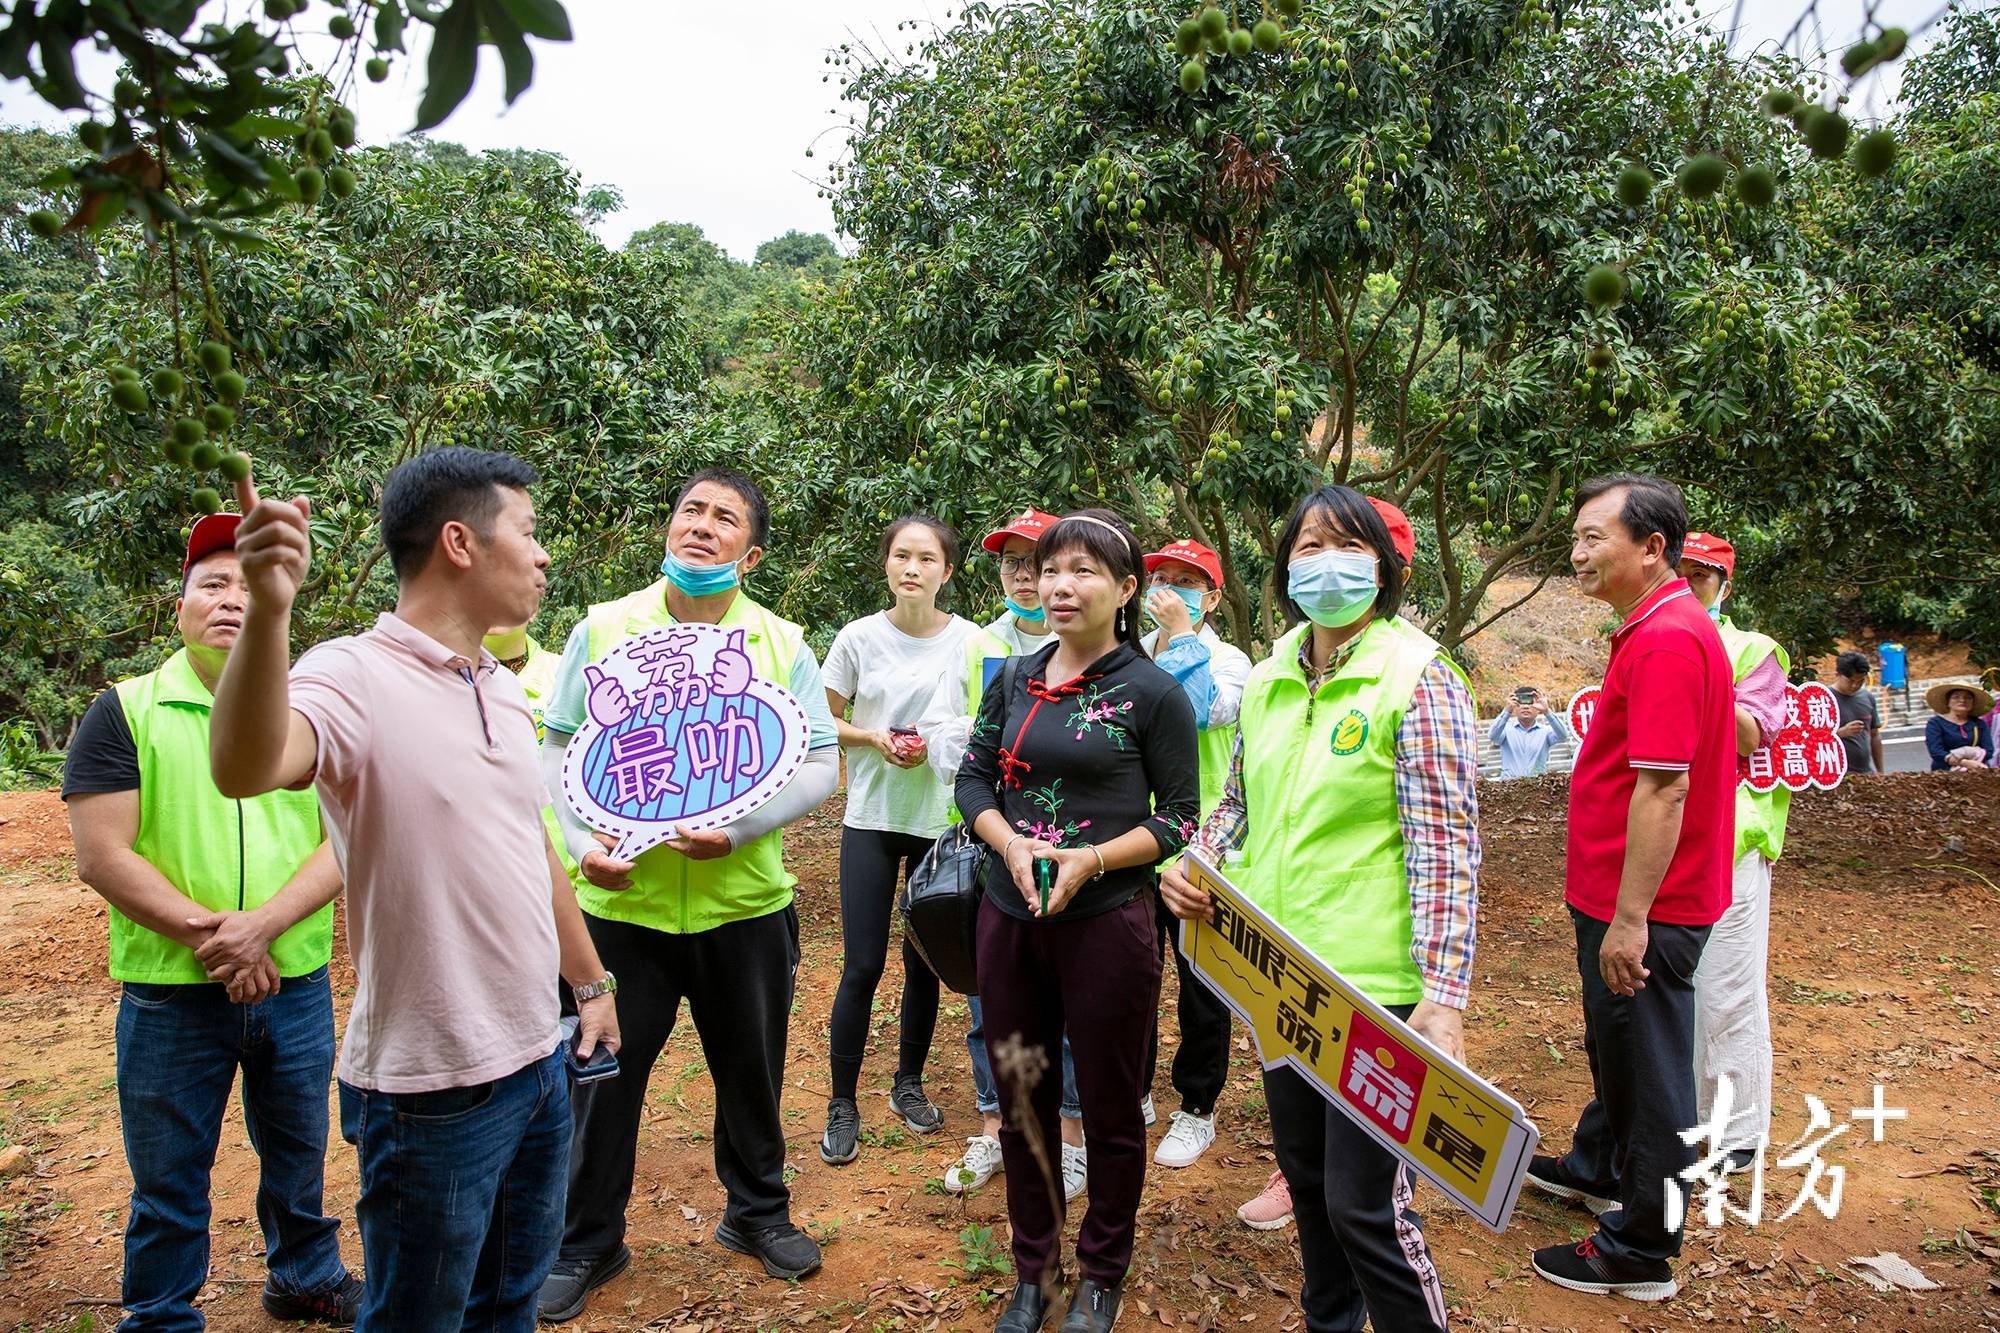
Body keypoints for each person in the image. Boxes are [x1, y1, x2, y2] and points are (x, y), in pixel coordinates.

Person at [207, 449, 622, 1332]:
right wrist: (268, 613)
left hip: (539, 1060)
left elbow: (532, 849)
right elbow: (247, 766)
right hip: (434, 1089)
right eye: (531, 531)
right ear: (460, 541)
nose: (545, 555)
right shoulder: (351, 673)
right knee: (417, 1318)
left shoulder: (505, 692)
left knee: (510, 1301)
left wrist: (590, 985)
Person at [1161, 484, 1479, 1333]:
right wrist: (1196, 860)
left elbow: (1445, 851)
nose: (1325, 561)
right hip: (1277, 973)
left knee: (1366, 1205)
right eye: (1307, 546)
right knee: (1306, 1181)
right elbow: (1236, 802)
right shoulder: (1267, 678)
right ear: (1284, 567)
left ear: (1383, 568)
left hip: (1377, 987)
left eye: (1347, 544)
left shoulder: (1420, 678)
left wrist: (1443, 998)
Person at [536, 466, 840, 1318]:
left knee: (752, 1071)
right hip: (617, 913)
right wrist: (578, 840)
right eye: (690, 510)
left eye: (725, 518)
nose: (701, 526)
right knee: (600, 1079)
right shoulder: (603, 628)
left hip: (743, 905)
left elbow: (820, 761)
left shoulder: (781, 641)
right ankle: (586, 1239)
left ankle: (758, 1213)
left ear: (750, 552)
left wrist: (740, 830)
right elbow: (555, 746)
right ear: (669, 527)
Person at [62, 513, 360, 1331]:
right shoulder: (123, 711)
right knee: (168, 1172)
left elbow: (343, 840)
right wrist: (217, 937)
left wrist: (264, 925)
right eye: (213, 583)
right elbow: (102, 853)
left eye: (248, 584)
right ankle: (159, 1312)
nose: (231, 599)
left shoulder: (313, 709)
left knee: (300, 1156)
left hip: (293, 980)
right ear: (181, 605)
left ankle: (303, 1275)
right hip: (171, 990)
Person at [957, 509, 1199, 1333]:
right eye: (1051, 569)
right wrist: (1010, 843)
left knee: (1107, 1102)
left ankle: (1102, 1270)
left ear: (1126, 588)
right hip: (1009, 921)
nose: (1059, 584)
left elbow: (1181, 820)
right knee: (1023, 1094)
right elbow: (972, 782)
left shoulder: (1153, 691)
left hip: (1107, 929)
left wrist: (1091, 859)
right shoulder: (1012, 676)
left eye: (1084, 570)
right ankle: (1037, 1271)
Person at [1528, 475, 1733, 1303]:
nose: (1577, 553)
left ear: (1652, 547)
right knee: (1616, 1043)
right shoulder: (1651, 626)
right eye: (1573, 537)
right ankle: (1598, 1164)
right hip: (1620, 894)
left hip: (1650, 903)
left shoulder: (1667, 640)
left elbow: (1664, 789)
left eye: (1593, 537)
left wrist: (1630, 919)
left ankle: (1641, 1246)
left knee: (1649, 1068)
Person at [916, 507, 1088, 1204]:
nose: (1024, 573)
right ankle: (995, 1124)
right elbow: (937, 739)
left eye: (1037, 559)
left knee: (1071, 996)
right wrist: (970, 737)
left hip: (1077, 848)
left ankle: (1071, 1137)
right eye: (1012, 561)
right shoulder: (973, 646)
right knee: (991, 994)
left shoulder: (1091, 642)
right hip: (994, 849)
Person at [819, 516, 989, 1163]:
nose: (911, 567)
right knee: (861, 963)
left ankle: (907, 1084)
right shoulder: (858, 638)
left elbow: (989, 720)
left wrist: (935, 745)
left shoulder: (972, 642)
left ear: (947, 570)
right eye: (901, 555)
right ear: (886, 565)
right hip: (870, 816)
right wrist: (875, 738)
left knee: (924, 964)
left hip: (940, 825)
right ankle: (842, 1101)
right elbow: (823, 716)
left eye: (926, 557)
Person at [1135, 538, 1251, 1170]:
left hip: (1203, 848)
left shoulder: (1232, 661)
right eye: (1162, 578)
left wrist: (1184, 642)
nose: (1171, 590)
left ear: (1211, 597)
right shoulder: (1129, 654)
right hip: (1134, 842)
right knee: (1133, 974)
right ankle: (1137, 1089)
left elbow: (1204, 711)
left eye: (1188, 581)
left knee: (1200, 984)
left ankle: (1196, 1107)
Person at [1679, 533, 1791, 1173]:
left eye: (1704, 576)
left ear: (1724, 585)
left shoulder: (1751, 650)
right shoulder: (1649, 634)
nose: (1692, 585)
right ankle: (1683, 1119)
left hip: (1734, 837)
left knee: (1728, 985)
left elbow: (1755, 729)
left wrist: (1694, 677)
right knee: (1674, 988)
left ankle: (1735, 1132)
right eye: (1683, 572)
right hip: (1667, 833)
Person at [1488, 687, 1573, 779]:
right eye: (1521, 702)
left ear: (1537, 709)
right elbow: (1492, 736)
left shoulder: (1545, 731)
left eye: (1530, 702)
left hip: (1537, 786)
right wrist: (1506, 711)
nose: (1525, 706)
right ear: (1515, 707)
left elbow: (1563, 735)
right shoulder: (1505, 730)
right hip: (1509, 787)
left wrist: (1547, 711)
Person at [1829, 652, 1884, 775]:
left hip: (1865, 772)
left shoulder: (1867, 697)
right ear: (1837, 674)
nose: (1855, 685)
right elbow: (1810, 738)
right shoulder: (1823, 699)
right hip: (1835, 775)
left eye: (1860, 681)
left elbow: (1874, 735)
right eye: (1851, 680)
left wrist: (1880, 771)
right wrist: (1840, 733)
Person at [1925, 683, 1994, 770]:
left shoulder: (1979, 724)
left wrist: (1967, 754)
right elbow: (1936, 752)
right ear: (1948, 702)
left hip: (1975, 772)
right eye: (1956, 697)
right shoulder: (1935, 723)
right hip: (1944, 773)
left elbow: (1989, 751)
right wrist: (1964, 763)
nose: (1962, 700)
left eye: (1968, 697)